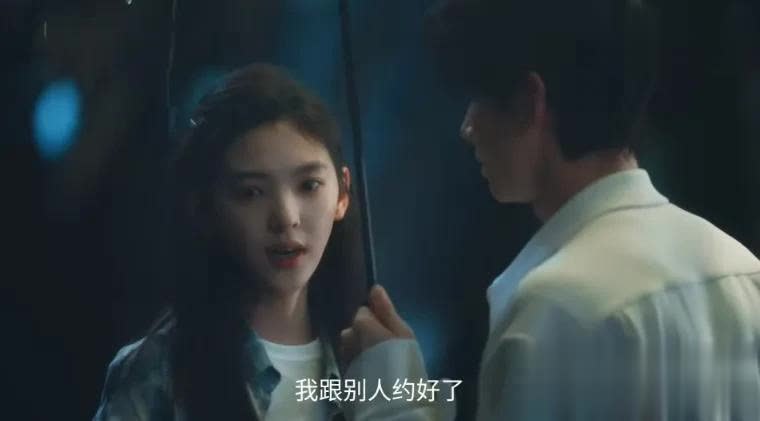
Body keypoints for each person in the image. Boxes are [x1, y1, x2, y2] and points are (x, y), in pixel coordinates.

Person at [340, 0, 760, 420]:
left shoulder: (554, 307)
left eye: (479, 98)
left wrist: (391, 401)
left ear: (529, 101)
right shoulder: (741, 271)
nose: (467, 127)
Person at [94, 63, 366, 421]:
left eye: (308, 186)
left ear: (342, 193)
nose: (286, 217)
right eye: (251, 192)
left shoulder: (370, 360)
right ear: (205, 208)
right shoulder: (160, 372)